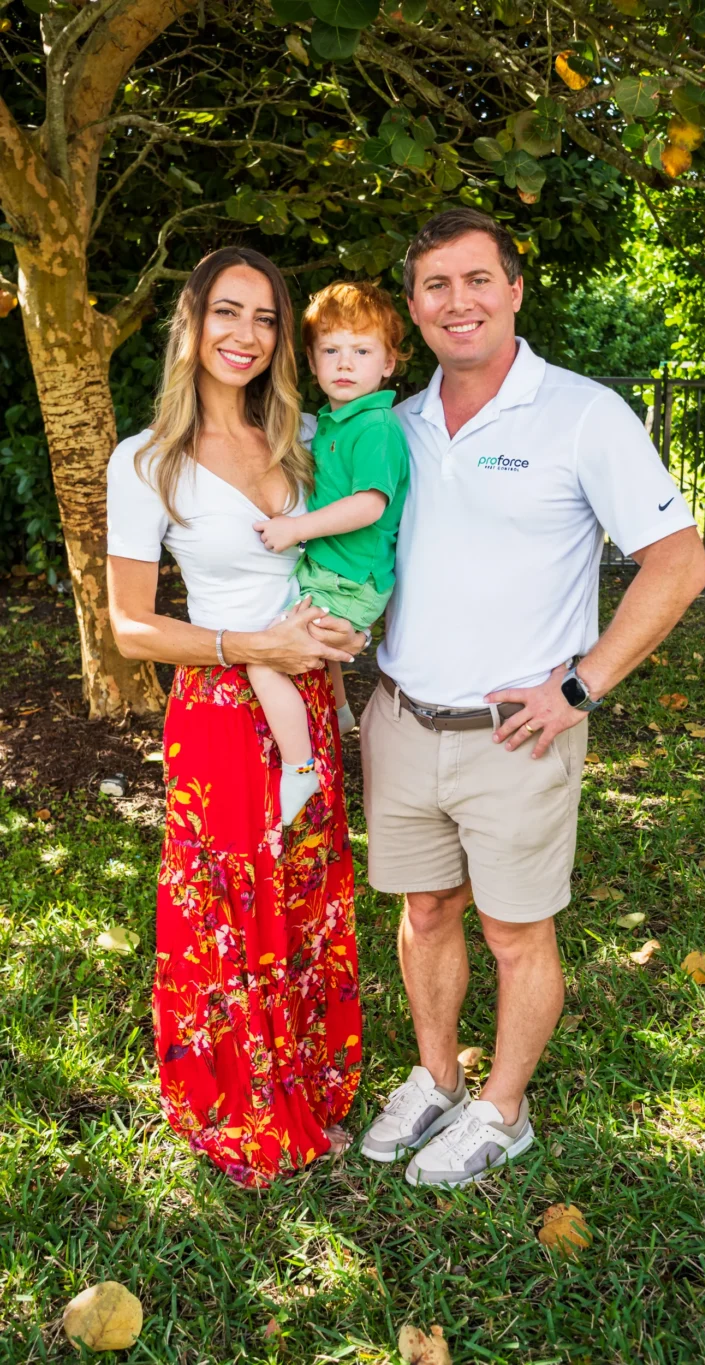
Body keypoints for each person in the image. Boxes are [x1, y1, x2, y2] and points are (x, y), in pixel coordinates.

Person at [360, 207, 705, 1188]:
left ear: (515, 289)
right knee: (425, 911)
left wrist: (580, 684)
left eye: (478, 280)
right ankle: (434, 1079)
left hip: (517, 733)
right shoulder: (395, 424)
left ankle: (502, 1108)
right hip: (400, 718)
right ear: (416, 308)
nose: (458, 302)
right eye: (436, 286)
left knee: (516, 933)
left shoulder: (583, 414)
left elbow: (677, 565)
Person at [106, 246, 365, 1187]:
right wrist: (251, 647)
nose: (246, 335)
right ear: (192, 322)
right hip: (220, 706)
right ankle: (244, 1094)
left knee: (301, 889)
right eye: (228, 311)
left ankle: (310, 1072)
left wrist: (334, 642)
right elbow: (131, 627)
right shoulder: (144, 462)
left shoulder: (303, 441)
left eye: (264, 318)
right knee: (230, 903)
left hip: (306, 694)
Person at [247, 282, 411, 825]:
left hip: (351, 579)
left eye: (362, 351)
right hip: (333, 570)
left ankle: (300, 767)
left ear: (389, 364)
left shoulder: (377, 426)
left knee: (265, 654)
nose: (345, 364)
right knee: (302, 636)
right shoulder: (334, 422)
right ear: (312, 360)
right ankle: (338, 713)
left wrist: (296, 528)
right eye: (331, 351)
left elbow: (368, 504)